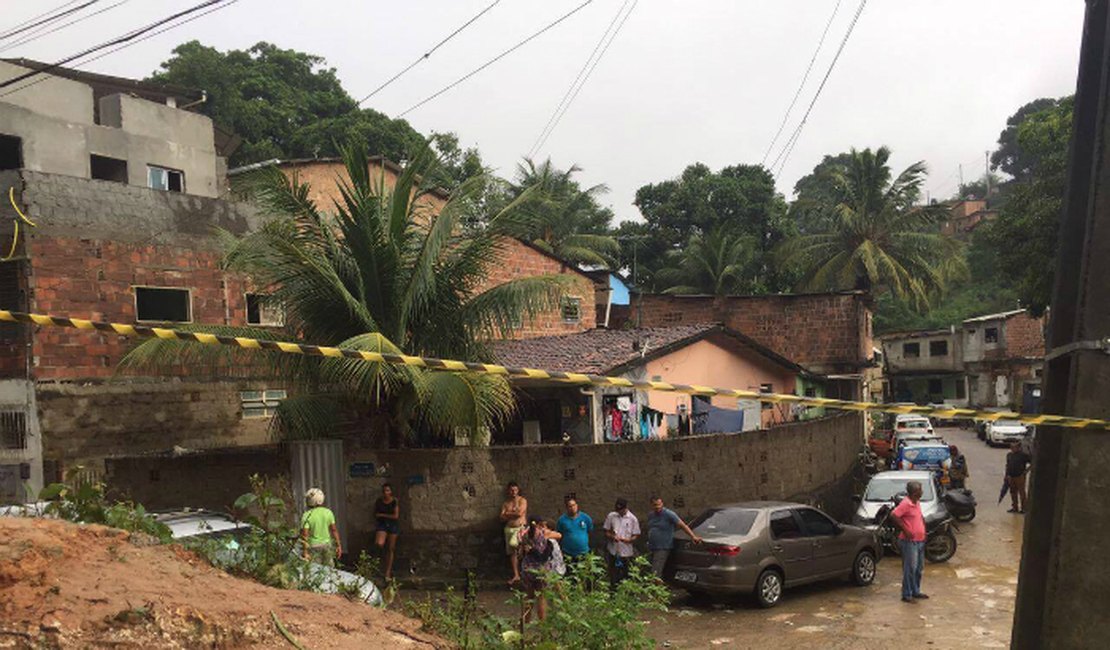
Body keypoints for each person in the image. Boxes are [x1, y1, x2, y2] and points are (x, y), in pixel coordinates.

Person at [516, 517, 565, 621]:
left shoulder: (523, 533)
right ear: (539, 524)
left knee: (529, 597)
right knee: (542, 598)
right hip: (541, 570)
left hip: (528, 569)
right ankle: (543, 626)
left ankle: (525, 623)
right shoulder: (543, 533)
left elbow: (520, 552)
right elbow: (559, 535)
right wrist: (546, 533)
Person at [890, 481, 927, 603]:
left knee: (919, 568)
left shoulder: (916, 503)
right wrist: (905, 529)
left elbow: (919, 517)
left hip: (920, 540)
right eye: (920, 490)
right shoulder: (906, 503)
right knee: (910, 568)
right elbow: (894, 515)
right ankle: (907, 594)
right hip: (909, 542)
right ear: (914, 492)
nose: (921, 492)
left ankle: (915, 591)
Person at [646, 496, 702, 577]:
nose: (658, 507)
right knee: (650, 569)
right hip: (652, 546)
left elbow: (683, 526)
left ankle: (654, 588)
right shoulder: (651, 515)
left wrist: (693, 536)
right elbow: (651, 528)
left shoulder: (669, 514)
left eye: (659, 504)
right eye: (655, 505)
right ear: (651, 505)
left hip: (663, 547)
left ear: (662, 504)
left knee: (655, 571)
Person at [602, 498, 640, 588]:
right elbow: (606, 531)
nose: (619, 512)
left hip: (626, 552)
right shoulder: (612, 516)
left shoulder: (632, 519)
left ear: (625, 508)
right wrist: (612, 537)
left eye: (621, 510)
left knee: (626, 573)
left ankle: (626, 591)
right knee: (613, 573)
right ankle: (613, 591)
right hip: (613, 550)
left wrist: (629, 540)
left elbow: (636, 535)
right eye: (617, 510)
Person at [300, 487, 341, 565]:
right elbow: (334, 530)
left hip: (313, 546)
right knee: (329, 571)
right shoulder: (328, 512)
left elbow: (305, 535)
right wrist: (339, 545)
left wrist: (305, 552)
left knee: (316, 570)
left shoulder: (306, 515)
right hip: (327, 545)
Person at [556, 497, 593, 575]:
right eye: (570, 506)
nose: (573, 508)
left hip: (583, 553)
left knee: (584, 575)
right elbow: (559, 535)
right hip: (568, 554)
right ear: (566, 508)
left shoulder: (585, 518)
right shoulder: (562, 520)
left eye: (574, 505)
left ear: (577, 505)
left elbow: (590, 531)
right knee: (570, 575)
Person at [500, 481, 528, 585]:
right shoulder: (506, 503)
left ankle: (526, 573)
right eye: (511, 490)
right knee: (512, 552)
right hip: (509, 529)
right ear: (508, 491)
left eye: (515, 490)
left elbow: (520, 513)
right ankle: (516, 575)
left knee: (520, 548)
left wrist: (507, 513)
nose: (513, 492)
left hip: (520, 528)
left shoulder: (522, 500)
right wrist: (512, 513)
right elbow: (501, 517)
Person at [373, 483, 400, 580]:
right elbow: (375, 514)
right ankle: (380, 564)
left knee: (390, 548)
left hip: (392, 525)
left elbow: (396, 516)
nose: (386, 493)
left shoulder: (394, 501)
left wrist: (383, 515)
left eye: (388, 491)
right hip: (382, 525)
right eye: (384, 491)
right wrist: (380, 516)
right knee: (379, 544)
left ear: (391, 492)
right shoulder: (379, 501)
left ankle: (387, 572)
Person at [1005, 442, 1032, 514]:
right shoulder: (1009, 455)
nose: (1013, 449)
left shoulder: (1023, 455)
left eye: (1014, 447)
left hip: (1020, 476)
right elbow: (1007, 465)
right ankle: (1015, 507)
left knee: (1022, 492)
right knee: (1013, 492)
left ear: (1019, 448)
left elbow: (1032, 462)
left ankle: (1024, 508)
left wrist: (1026, 471)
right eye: (1011, 447)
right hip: (1011, 476)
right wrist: (1007, 475)